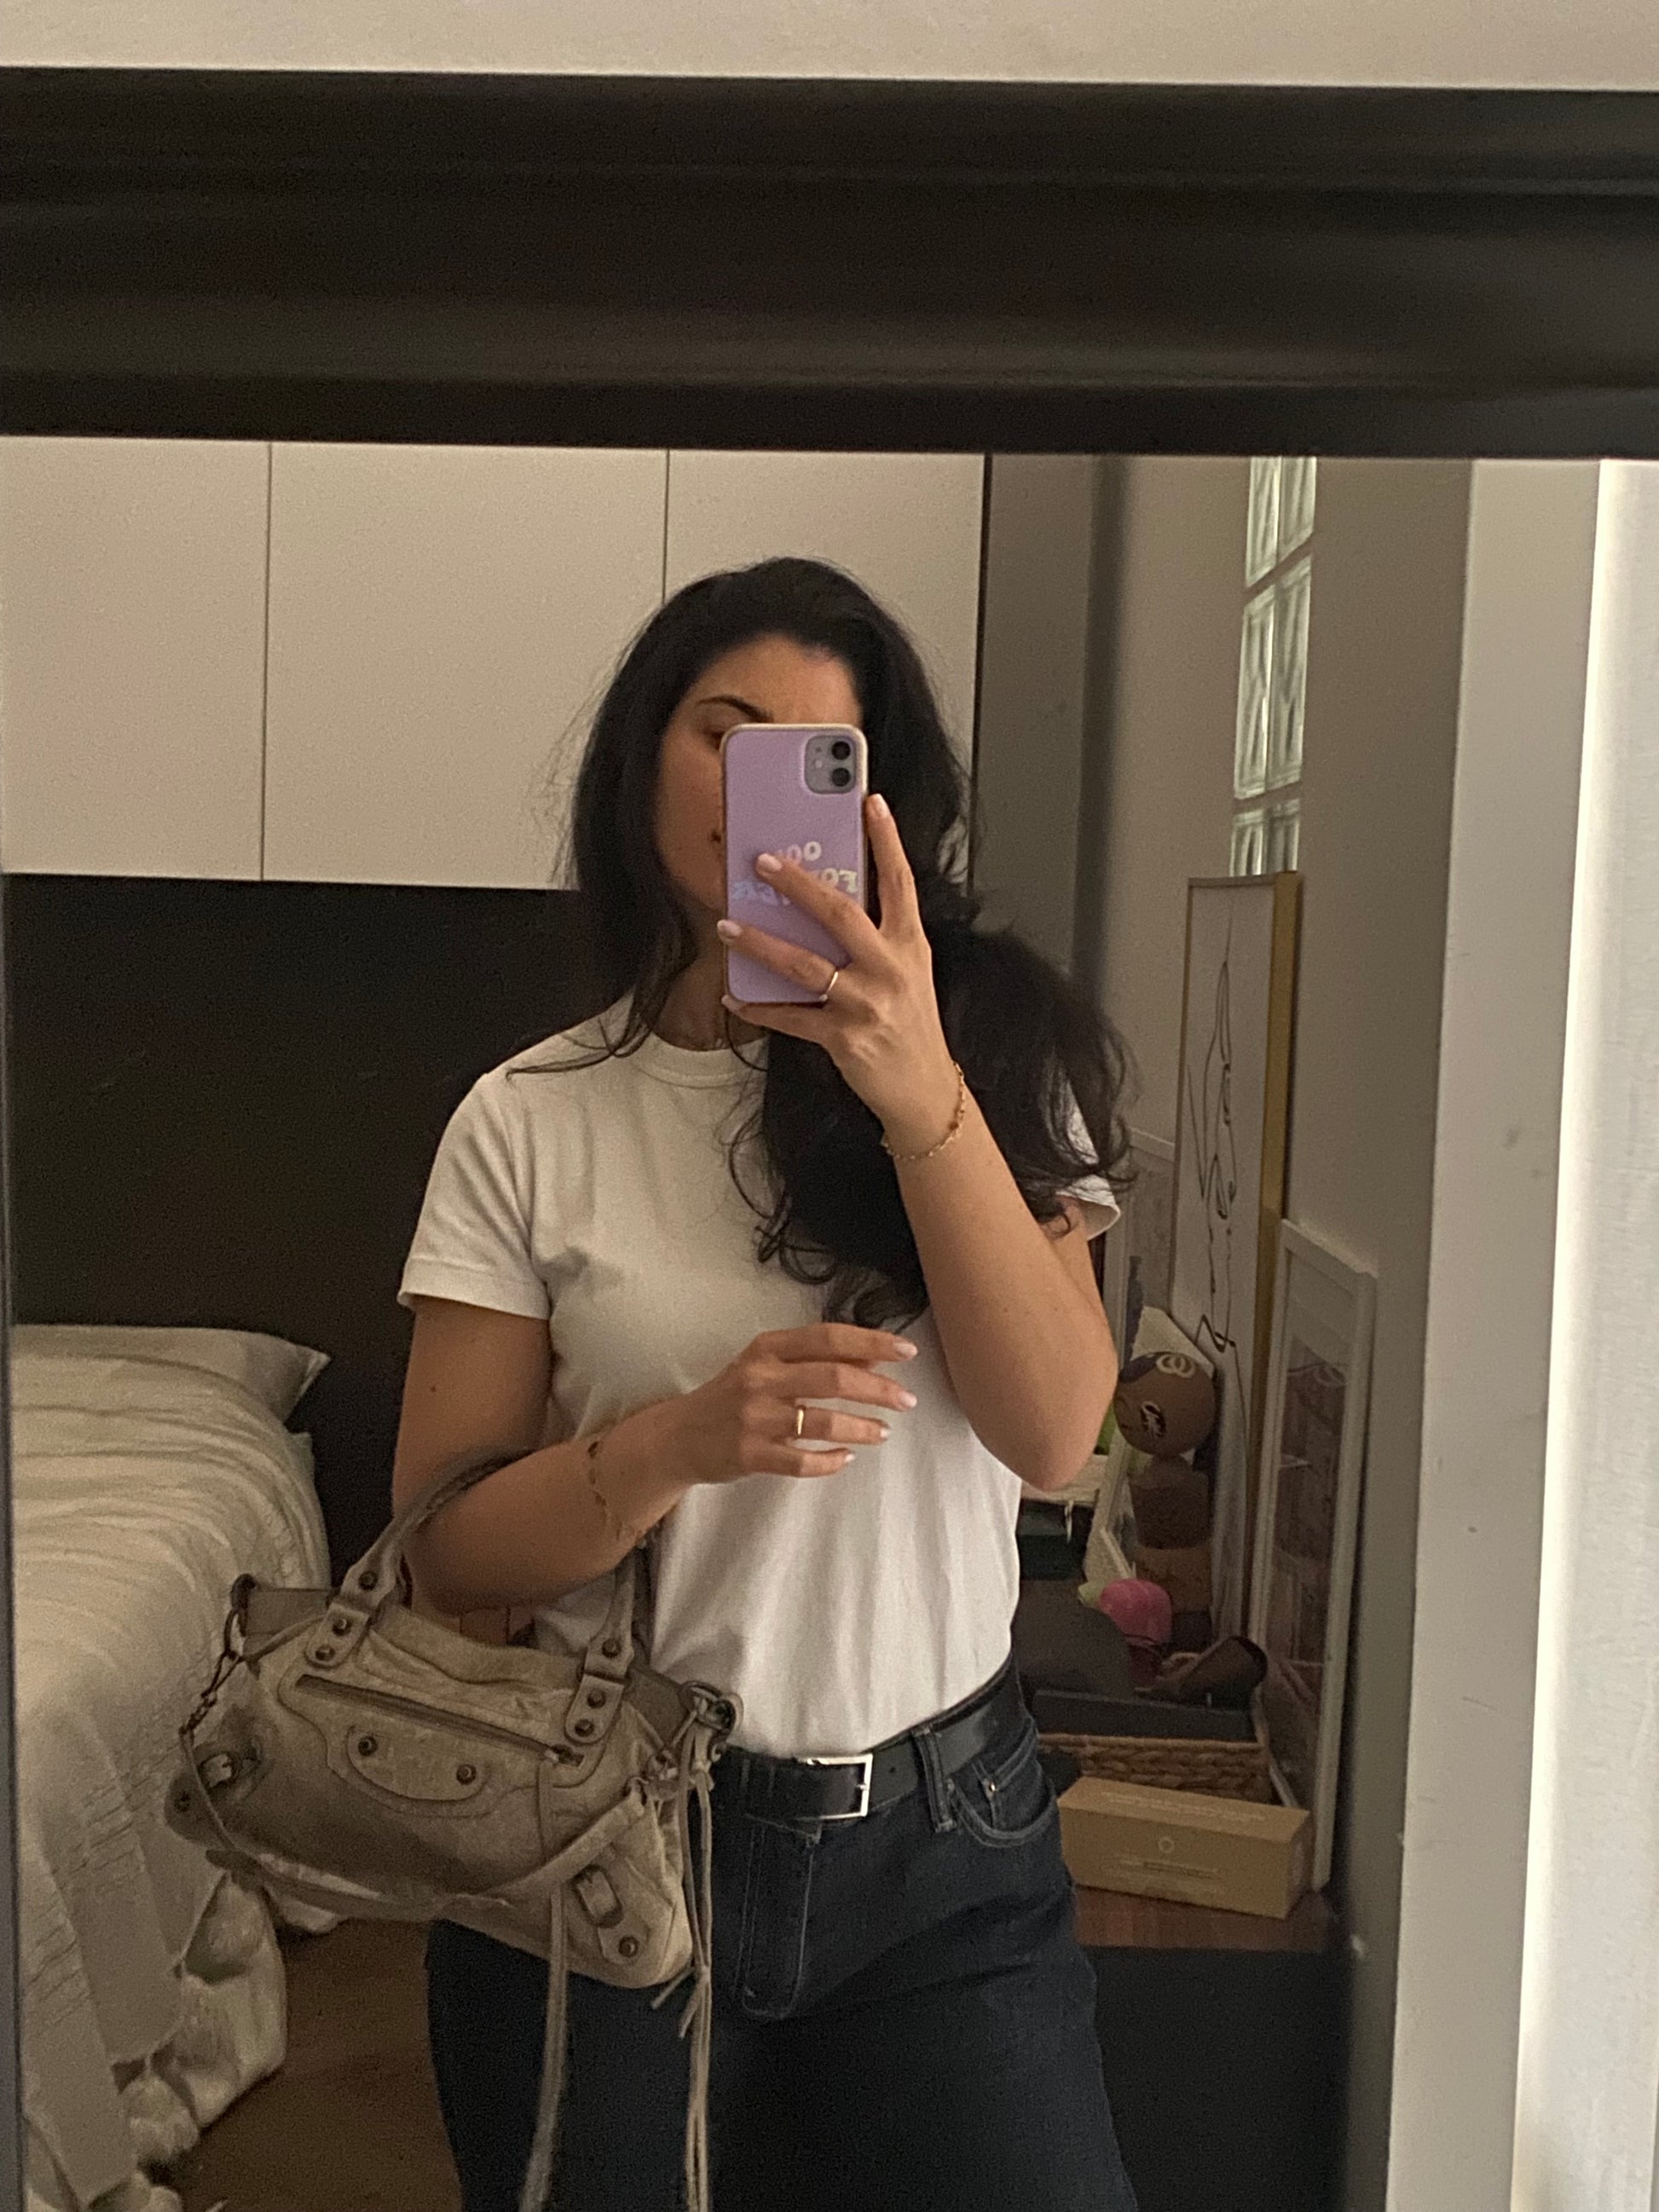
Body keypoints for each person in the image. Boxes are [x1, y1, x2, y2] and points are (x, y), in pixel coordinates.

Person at [392, 556, 1140, 2212]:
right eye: (722, 732)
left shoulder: (997, 1057)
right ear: (641, 758)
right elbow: (444, 1553)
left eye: (815, 753)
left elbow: (1049, 1431)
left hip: (946, 1855)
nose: (757, 788)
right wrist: (674, 1440)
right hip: (597, 1838)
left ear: (880, 801)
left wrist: (918, 1090)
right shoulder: (529, 1118)